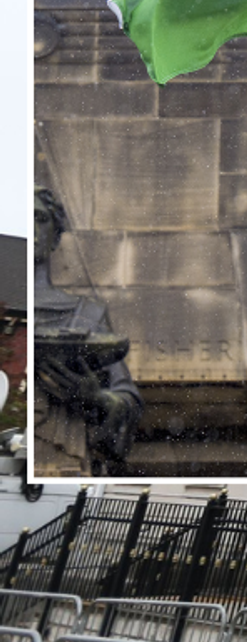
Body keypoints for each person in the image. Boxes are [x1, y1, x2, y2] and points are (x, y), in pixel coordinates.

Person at [32, 188, 142, 477]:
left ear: (55, 236)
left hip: (58, 461)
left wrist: (95, 398)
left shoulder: (86, 314)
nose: (29, 227)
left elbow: (127, 399)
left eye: (38, 217)